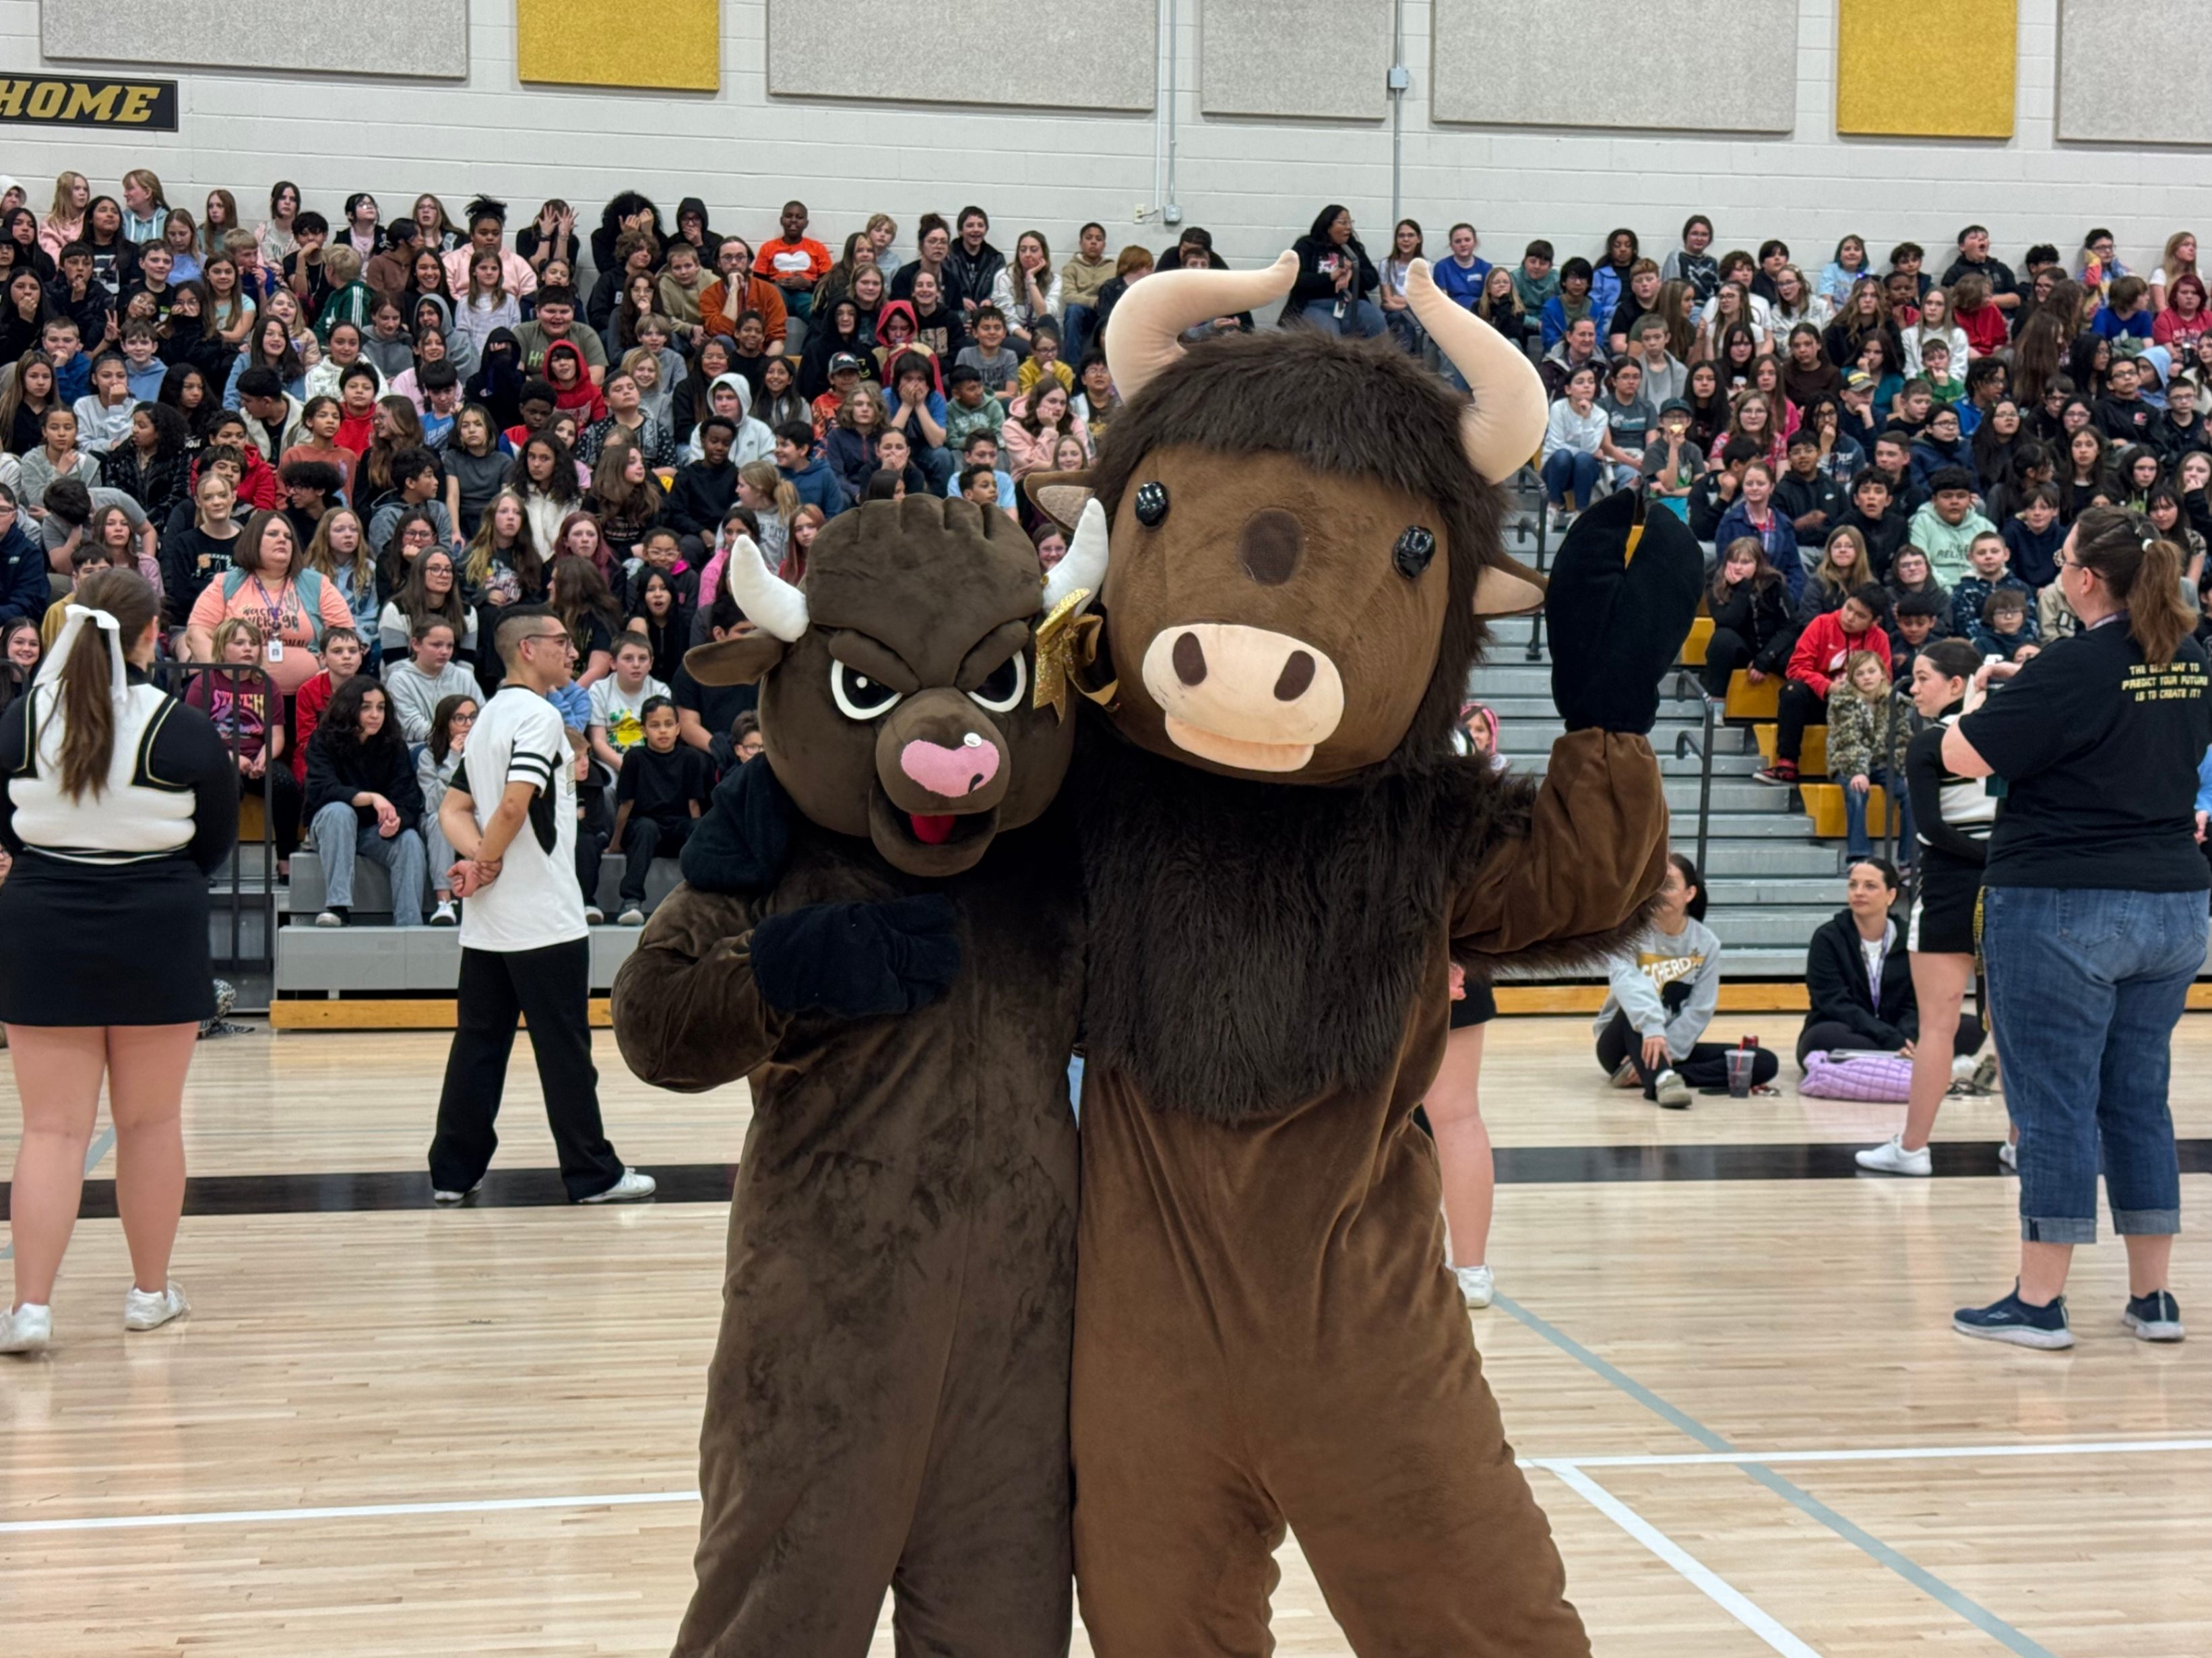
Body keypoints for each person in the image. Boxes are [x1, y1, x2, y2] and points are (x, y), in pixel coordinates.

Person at [1942, 507, 2205, 1347]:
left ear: (2087, 577)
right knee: (2137, 1097)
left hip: (2064, 899)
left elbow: (1963, 756)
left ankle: (2039, 1300)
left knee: (2052, 1100)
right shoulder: (2191, 657)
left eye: (2061, 559)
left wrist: (1975, 700)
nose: (2056, 570)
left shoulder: (2076, 663)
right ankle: (2153, 1298)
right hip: (2173, 904)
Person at [0, 571, 236, 1354]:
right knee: (149, 1122)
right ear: (144, 636)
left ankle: (30, 1309)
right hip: (157, 924)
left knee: (51, 1130)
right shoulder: (183, 724)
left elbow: (8, 827)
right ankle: (147, 1294)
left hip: (40, 922)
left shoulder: (23, 716)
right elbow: (213, 842)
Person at [428, 606, 654, 1205]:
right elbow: (512, 805)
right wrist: (487, 861)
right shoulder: (539, 717)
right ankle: (592, 1174)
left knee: (478, 1045)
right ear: (528, 649)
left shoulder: (486, 719)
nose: (572, 652)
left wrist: (476, 861)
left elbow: (451, 811)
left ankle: (453, 1172)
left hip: (487, 924)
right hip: (543, 920)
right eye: (561, 641)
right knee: (565, 1051)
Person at [1855, 639, 2000, 1178]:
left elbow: (1933, 831)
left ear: (1957, 685)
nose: (1911, 688)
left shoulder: (1927, 742)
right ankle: (2020, 1145)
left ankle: (1912, 1148)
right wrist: (2001, 857)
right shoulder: (2013, 736)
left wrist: (1985, 857)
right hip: (2007, 882)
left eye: (1921, 678)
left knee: (1937, 1028)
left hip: (1948, 887)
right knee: (2007, 1025)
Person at [1594, 854, 1779, 1107]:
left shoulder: (1707, 943)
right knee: (1633, 1005)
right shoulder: (1625, 932)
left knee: (1762, 1061)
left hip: (1672, 1045)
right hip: (1622, 1042)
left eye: (1668, 884)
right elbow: (1625, 980)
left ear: (1689, 893)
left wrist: (1665, 1050)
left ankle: (1665, 1073)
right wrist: (1652, 1029)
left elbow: (1699, 1009)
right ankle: (1662, 1081)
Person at [1797, 858, 1966, 1068]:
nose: (1859, 892)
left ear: (1891, 895)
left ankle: (1890, 1058)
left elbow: (1915, 1003)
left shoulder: (1910, 939)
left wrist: (1906, 1037)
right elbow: (1834, 1003)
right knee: (1821, 1038)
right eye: (1853, 885)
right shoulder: (1828, 937)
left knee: (1967, 1026)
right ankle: (1907, 1058)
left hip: (1896, 1028)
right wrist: (1891, 1040)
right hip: (1848, 1027)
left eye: (1870, 886)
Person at [305, 676, 427, 927]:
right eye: (366, 707)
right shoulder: (322, 741)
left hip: (374, 832)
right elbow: (323, 791)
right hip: (331, 829)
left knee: (411, 841)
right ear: (349, 708)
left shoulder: (393, 746)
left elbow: (408, 800)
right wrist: (371, 798)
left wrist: (397, 821)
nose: (375, 715)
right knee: (340, 812)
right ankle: (338, 907)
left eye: (381, 708)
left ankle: (410, 924)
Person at [1756, 584, 1891, 787]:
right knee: (1793, 690)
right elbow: (1796, 667)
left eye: (1860, 616)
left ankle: (1871, 766)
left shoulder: (1880, 638)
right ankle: (1787, 763)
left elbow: (1885, 679)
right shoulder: (1821, 624)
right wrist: (1828, 687)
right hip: (1821, 701)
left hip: (1859, 706)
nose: (1850, 617)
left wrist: (1857, 691)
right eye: (1849, 608)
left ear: (1875, 622)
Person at [606, 694, 707, 926]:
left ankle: (702, 898)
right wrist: (616, 843)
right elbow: (626, 805)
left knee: (700, 827)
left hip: (676, 827)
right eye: (655, 725)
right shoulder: (635, 758)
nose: (663, 731)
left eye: (668, 724)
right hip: (644, 829)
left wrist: (699, 836)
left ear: (678, 728)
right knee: (646, 827)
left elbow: (694, 805)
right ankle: (631, 900)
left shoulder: (691, 758)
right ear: (644, 731)